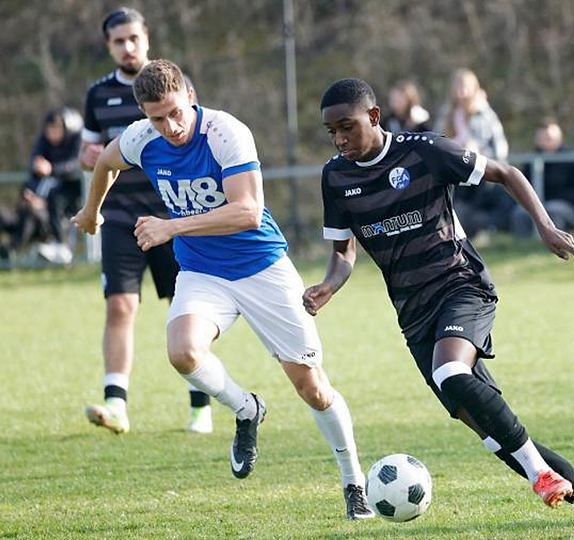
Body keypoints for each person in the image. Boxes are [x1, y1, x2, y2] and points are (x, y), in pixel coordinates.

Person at [308, 78, 574, 538]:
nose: (340, 139)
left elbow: (507, 174)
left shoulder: (424, 151)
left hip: (461, 285)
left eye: (347, 127)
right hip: (413, 313)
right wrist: (328, 285)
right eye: (331, 131)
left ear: (375, 117)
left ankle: (542, 477)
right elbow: (343, 253)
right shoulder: (336, 177)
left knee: (452, 373)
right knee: (489, 428)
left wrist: (544, 225)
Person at [71, 59, 375, 520]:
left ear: (190, 98)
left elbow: (248, 212)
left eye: (175, 112)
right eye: (157, 118)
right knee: (183, 352)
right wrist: (92, 211)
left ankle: (354, 483)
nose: (170, 126)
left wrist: (172, 227)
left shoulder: (224, 132)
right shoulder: (142, 138)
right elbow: (107, 163)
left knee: (312, 388)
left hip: (262, 269)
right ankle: (246, 409)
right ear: (144, 115)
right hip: (202, 274)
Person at [80, 7, 209, 435]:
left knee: (185, 309)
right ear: (108, 46)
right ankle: (116, 403)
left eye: (133, 38)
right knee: (120, 305)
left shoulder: (173, 87)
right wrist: (95, 161)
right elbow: (89, 153)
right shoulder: (97, 95)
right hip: (119, 217)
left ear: (146, 38)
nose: (127, 47)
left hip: (175, 215)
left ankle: (200, 404)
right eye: (119, 41)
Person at [435, 68, 514, 237]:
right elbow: (437, 140)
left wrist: (496, 166)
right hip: (454, 169)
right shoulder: (447, 113)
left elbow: (497, 145)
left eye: (465, 86)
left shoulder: (483, 113)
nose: (461, 91)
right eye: (458, 86)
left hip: (478, 168)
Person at [513, 118, 574, 236]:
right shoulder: (531, 160)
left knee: (552, 212)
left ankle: (556, 246)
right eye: (542, 138)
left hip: (565, 204)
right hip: (537, 203)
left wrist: (555, 199)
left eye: (549, 138)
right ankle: (523, 247)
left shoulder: (571, 159)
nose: (546, 141)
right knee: (520, 214)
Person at [24, 108, 83, 263]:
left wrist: (52, 169)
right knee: (27, 204)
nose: (52, 133)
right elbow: (34, 165)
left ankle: (61, 246)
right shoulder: (43, 141)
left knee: (56, 199)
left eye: (56, 129)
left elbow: (76, 165)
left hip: (75, 190)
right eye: (49, 129)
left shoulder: (77, 139)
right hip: (48, 191)